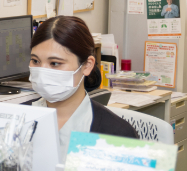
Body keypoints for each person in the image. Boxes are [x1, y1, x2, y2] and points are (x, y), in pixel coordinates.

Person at [29, 16, 138, 163]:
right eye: (35, 61)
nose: (42, 72)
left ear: (87, 65)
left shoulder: (116, 134)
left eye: (55, 63)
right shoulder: (14, 118)